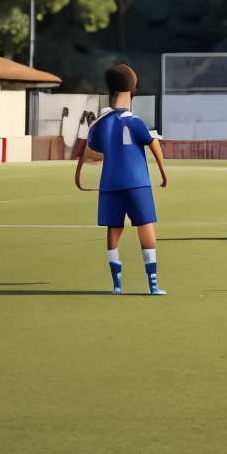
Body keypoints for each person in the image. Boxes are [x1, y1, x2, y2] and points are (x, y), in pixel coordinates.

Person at [75, 65, 167, 295]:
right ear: (133, 89)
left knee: (113, 229)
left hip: (111, 184)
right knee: (146, 226)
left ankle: (117, 284)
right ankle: (153, 283)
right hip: (138, 183)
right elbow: (152, 143)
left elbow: (92, 153)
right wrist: (164, 173)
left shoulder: (102, 124)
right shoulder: (135, 121)